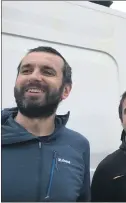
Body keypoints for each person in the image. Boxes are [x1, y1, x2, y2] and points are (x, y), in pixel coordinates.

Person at [1, 46, 91, 202]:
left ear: (66, 90)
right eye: (26, 71)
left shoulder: (79, 145)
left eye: (47, 72)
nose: (34, 77)